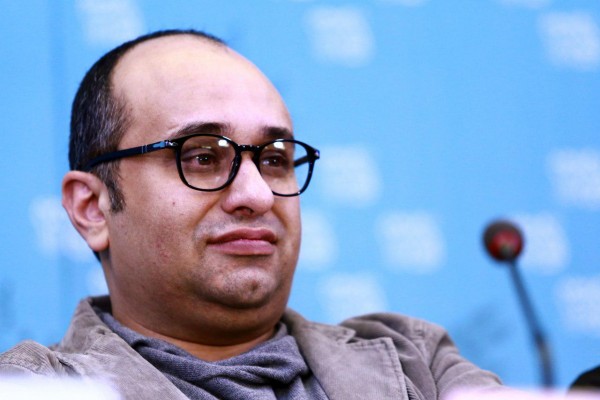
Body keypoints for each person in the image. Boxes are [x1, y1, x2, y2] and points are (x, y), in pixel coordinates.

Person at [0, 29, 501, 399]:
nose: (257, 195)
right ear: (93, 208)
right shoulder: (32, 388)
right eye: (201, 157)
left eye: (275, 159)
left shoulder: (416, 363)